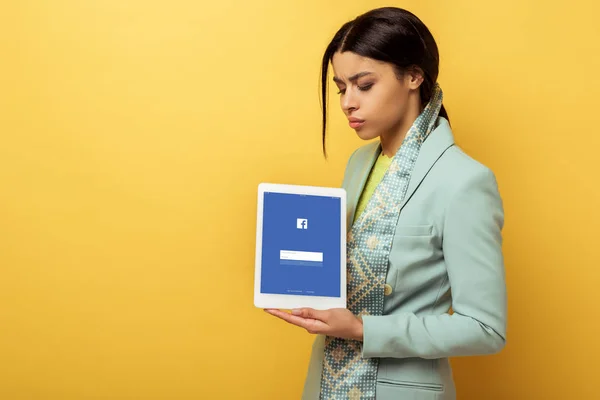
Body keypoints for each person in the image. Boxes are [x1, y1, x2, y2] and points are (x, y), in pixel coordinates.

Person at [265, 7, 507, 400]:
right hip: (326, 382)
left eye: (364, 84)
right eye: (341, 88)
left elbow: (485, 329)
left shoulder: (465, 181)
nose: (347, 103)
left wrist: (363, 328)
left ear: (414, 76)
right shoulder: (360, 163)